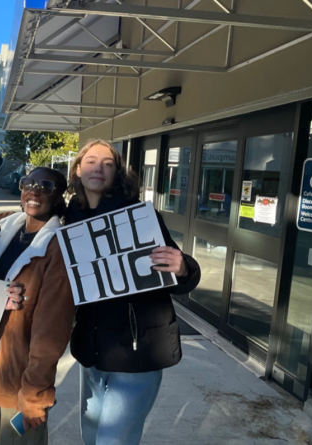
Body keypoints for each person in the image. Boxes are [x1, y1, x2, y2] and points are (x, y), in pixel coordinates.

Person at [66, 139, 201, 445]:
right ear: (77, 170)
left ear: (117, 173)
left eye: (108, 163)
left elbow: (183, 277)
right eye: (91, 161)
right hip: (92, 351)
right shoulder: (71, 216)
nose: (98, 168)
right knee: (90, 435)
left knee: (112, 441)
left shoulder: (140, 217)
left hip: (135, 353)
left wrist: (182, 267)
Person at [0, 167, 76, 445]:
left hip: (23, 381)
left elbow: (51, 332)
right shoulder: (7, 225)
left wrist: (34, 397)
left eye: (46, 186)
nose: (34, 190)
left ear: (59, 197)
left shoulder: (57, 249)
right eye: (27, 183)